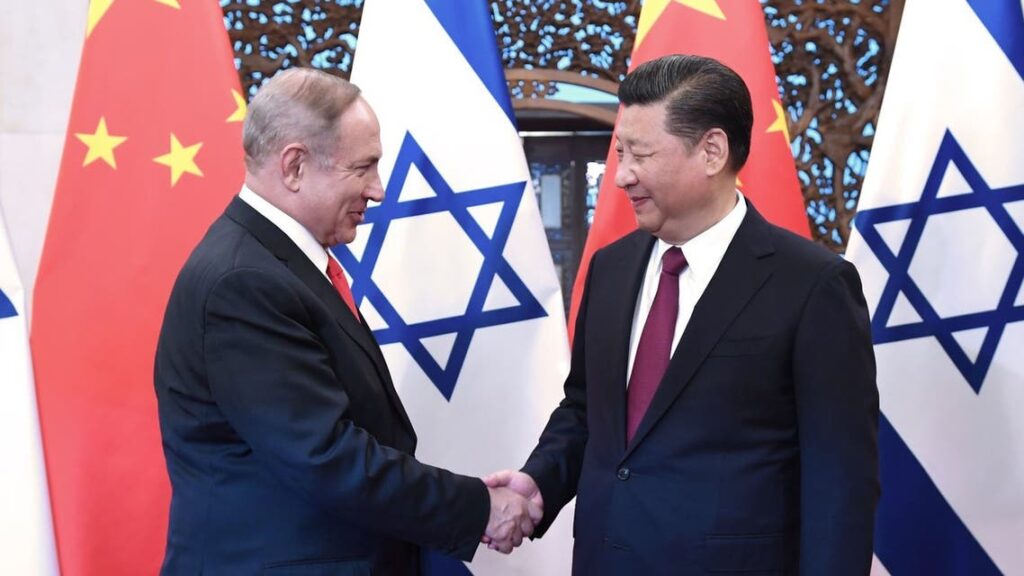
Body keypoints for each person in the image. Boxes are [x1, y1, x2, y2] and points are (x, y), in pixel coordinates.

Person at [486, 54, 880, 575]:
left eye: (640, 155)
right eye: (619, 152)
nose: (621, 176)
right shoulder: (610, 268)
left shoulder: (812, 285)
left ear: (712, 151)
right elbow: (586, 409)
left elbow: (840, 481)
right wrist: (540, 481)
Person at [154, 68, 539, 575]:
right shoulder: (244, 281)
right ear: (294, 166)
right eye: (364, 168)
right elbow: (325, 455)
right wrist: (477, 507)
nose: (378, 191)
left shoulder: (276, 264)